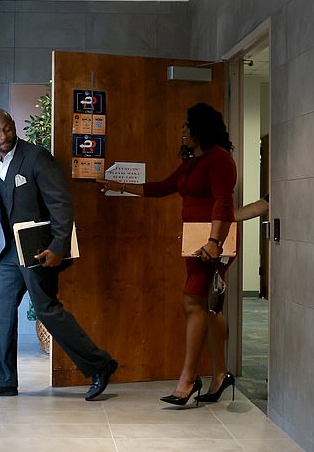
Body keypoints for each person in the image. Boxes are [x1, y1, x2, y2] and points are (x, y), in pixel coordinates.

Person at [0, 109, 118, 401]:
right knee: (0, 312)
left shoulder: (37, 157)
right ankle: (3, 380)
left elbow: (61, 204)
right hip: (13, 251)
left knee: (48, 311)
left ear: (14, 126)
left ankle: (100, 364)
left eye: (7, 129)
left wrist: (59, 247)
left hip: (40, 251)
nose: (3, 136)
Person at [98, 103, 237, 405]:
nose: (183, 130)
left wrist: (215, 241)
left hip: (212, 243)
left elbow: (224, 202)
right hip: (194, 243)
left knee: (193, 302)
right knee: (210, 308)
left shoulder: (220, 159)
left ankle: (188, 380)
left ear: (201, 128)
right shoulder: (191, 162)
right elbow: (161, 187)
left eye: (188, 125)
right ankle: (221, 374)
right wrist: (119, 186)